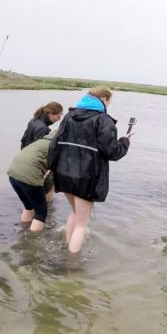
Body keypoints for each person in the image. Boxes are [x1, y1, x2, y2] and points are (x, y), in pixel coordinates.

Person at [48, 86, 131, 253]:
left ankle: (67, 247)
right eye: (109, 101)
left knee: (74, 213)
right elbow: (112, 152)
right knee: (82, 224)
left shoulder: (69, 116)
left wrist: (52, 168)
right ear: (105, 100)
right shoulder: (103, 120)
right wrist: (125, 141)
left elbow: (54, 145)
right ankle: (72, 263)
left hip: (63, 173)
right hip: (86, 178)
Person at [8, 130, 55, 232]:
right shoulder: (58, 144)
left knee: (29, 207)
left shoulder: (42, 141)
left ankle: (23, 231)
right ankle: (32, 241)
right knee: (41, 213)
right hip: (29, 176)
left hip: (13, 173)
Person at [21, 101, 63, 203]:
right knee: (50, 184)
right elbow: (40, 150)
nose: (58, 120)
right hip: (35, 164)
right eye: (58, 117)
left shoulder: (33, 120)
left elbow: (23, 141)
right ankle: (45, 209)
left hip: (25, 159)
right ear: (50, 113)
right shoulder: (43, 129)